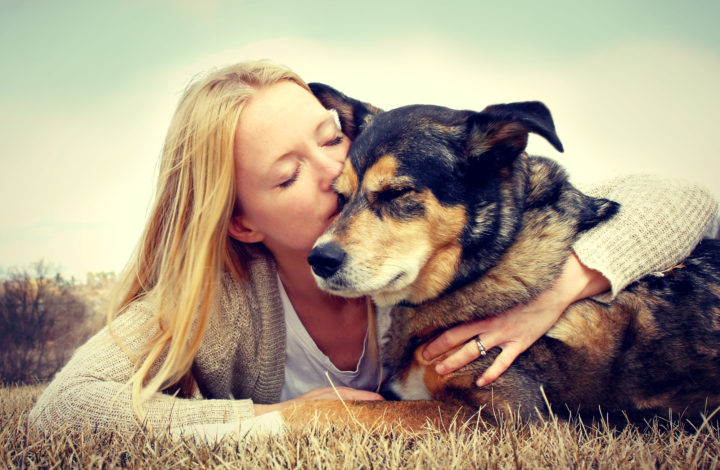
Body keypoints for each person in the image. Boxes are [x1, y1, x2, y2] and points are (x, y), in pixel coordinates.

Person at [29, 60, 718, 438]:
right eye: (287, 174)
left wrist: (565, 287)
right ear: (242, 223)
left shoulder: (431, 251)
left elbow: (682, 201)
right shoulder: (224, 302)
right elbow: (63, 411)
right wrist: (284, 419)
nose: (336, 174)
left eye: (329, 139)